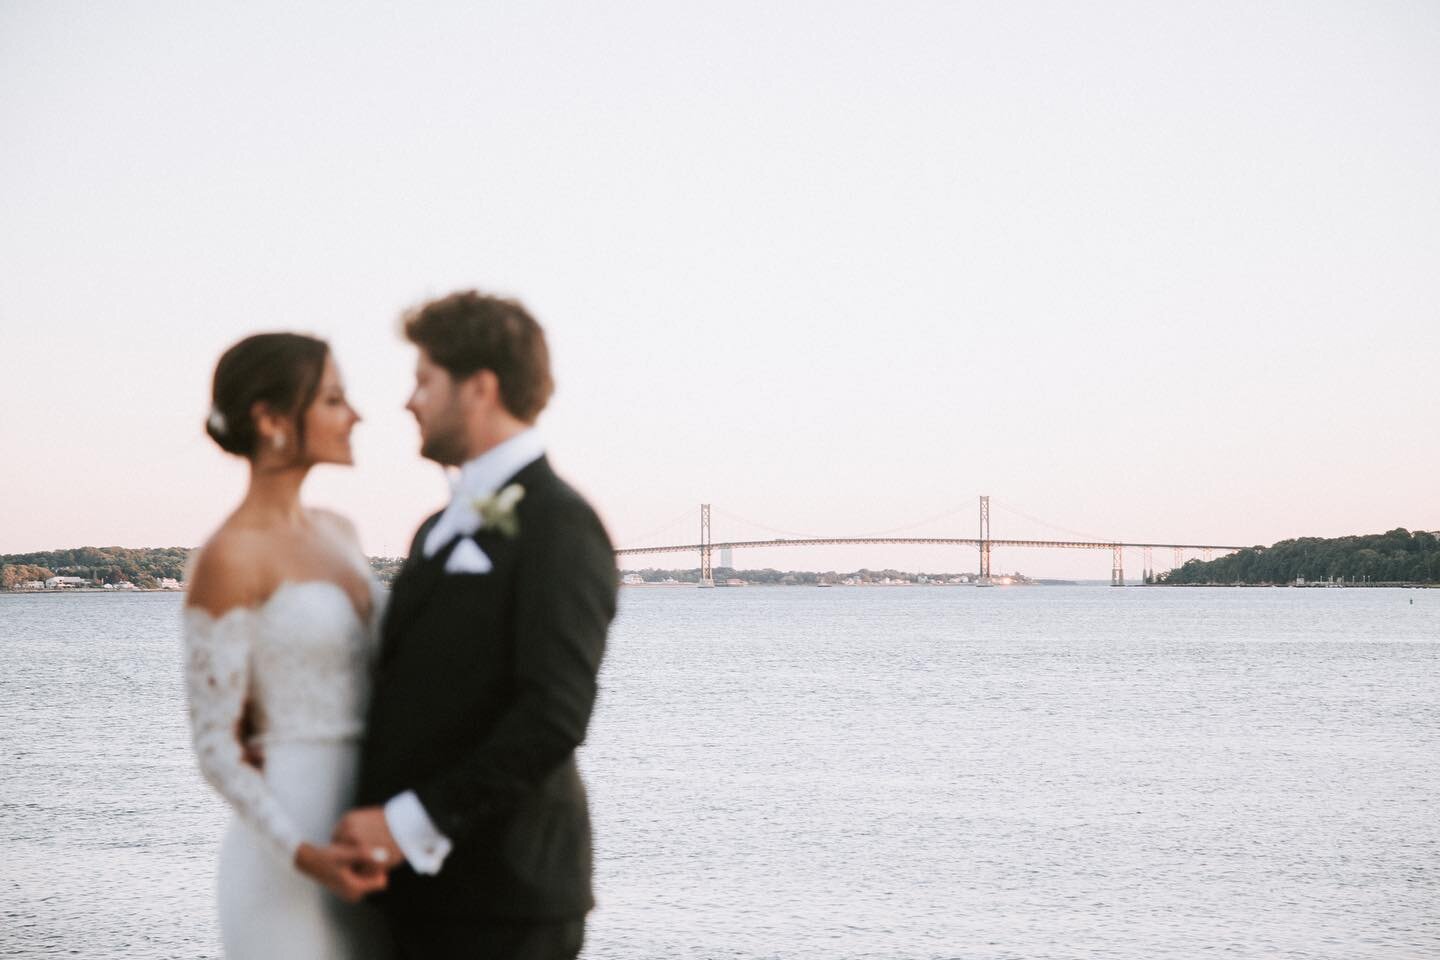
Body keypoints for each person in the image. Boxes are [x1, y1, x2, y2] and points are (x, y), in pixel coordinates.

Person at [333, 291, 618, 960]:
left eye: (424, 380)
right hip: (412, 895)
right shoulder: (437, 527)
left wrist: (406, 825)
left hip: (506, 901)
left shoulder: (562, 525)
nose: (408, 401)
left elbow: (553, 714)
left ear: (481, 387)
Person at [183, 333, 393, 958]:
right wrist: (305, 855)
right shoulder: (229, 556)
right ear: (271, 419)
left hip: (371, 842)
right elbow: (216, 746)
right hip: (288, 855)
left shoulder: (341, 533)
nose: (354, 414)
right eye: (333, 399)